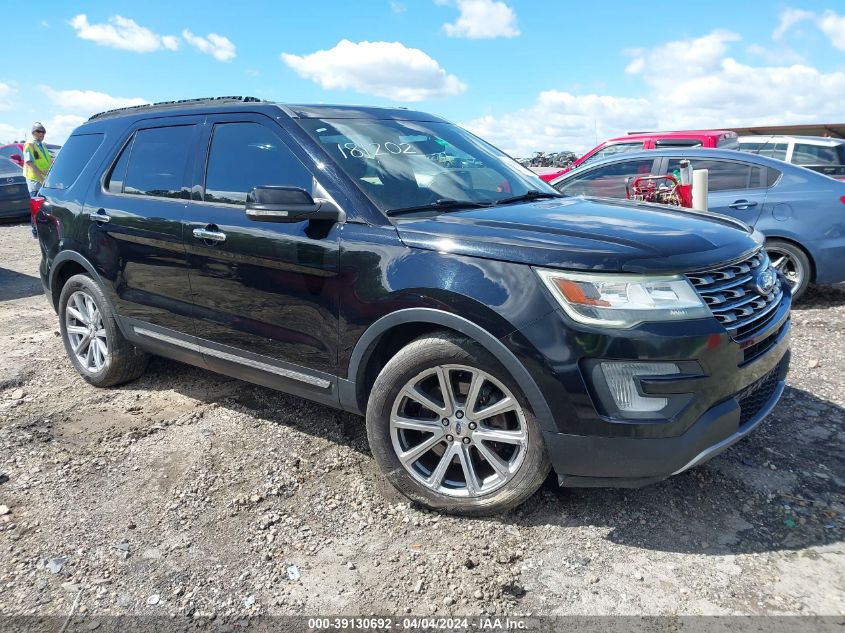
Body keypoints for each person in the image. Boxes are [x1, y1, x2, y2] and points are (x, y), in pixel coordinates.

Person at [23, 122, 52, 197]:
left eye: (43, 132)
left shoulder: (42, 145)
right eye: (39, 131)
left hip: (44, 181)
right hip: (36, 181)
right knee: (39, 206)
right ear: (33, 133)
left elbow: (45, 162)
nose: (42, 133)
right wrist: (41, 180)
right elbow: (30, 163)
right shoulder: (29, 144)